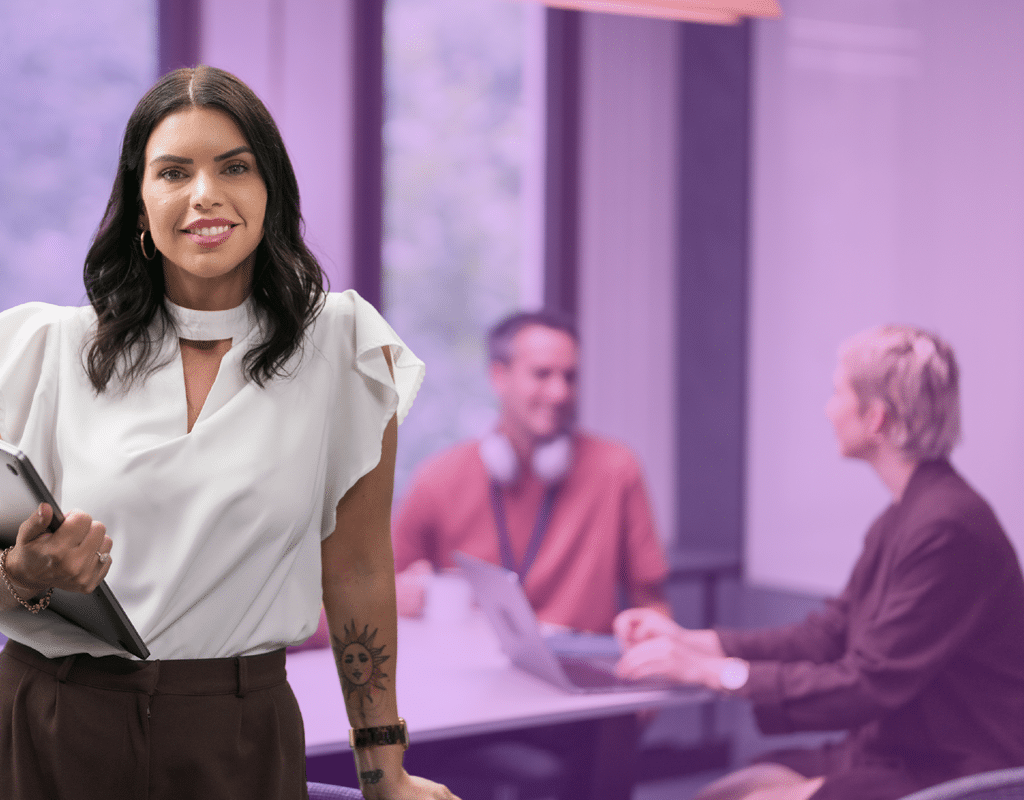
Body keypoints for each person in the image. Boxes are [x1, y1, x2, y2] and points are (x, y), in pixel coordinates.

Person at [0, 65, 456, 800]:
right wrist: (25, 574)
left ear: (269, 190)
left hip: (235, 736)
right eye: (173, 172)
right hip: (48, 724)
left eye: (234, 167)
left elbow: (360, 571)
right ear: (140, 202)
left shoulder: (345, 349)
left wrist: (385, 771)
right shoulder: (51, 349)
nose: (204, 194)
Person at [614, 324, 1024, 800]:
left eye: (837, 393)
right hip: (895, 752)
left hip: (951, 769)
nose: (828, 410)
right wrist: (695, 643)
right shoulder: (908, 515)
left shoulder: (948, 527)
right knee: (720, 794)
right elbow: (827, 635)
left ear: (875, 418)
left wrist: (713, 673)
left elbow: (868, 682)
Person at [393, 310, 669, 632]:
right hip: (471, 669)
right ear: (499, 376)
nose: (560, 393)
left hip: (578, 666)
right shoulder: (438, 478)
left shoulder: (617, 470)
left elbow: (652, 602)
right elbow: (378, 590)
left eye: (570, 377)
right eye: (542, 374)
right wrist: (394, 598)